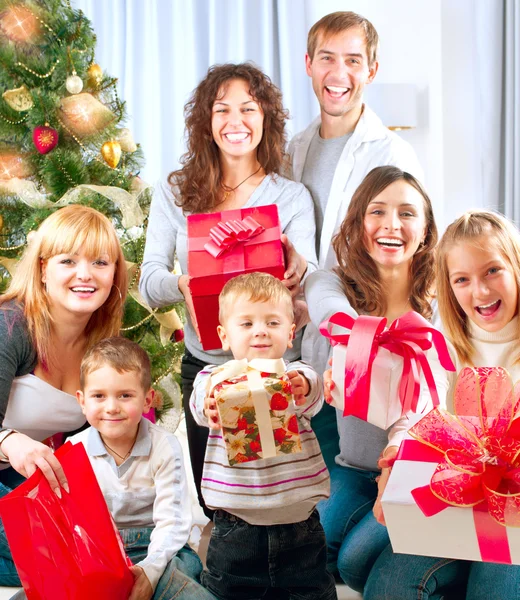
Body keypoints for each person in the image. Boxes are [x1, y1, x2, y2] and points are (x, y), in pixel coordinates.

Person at [139, 63, 318, 518]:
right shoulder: (176, 191)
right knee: (221, 505)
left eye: (247, 108)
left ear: (266, 119)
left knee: (281, 500)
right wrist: (186, 284)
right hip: (208, 373)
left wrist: (298, 269)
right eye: (222, 110)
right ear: (206, 121)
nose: (234, 121)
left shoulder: (290, 196)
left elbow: (310, 279)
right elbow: (148, 282)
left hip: (275, 368)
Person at [288, 11, 424, 470]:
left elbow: (408, 249)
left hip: (359, 351)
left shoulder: (392, 153)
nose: (338, 74)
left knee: (360, 479)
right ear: (308, 64)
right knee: (309, 502)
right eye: (327, 58)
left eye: (353, 60)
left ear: (371, 70)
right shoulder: (293, 148)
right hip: (299, 353)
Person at [364, 210, 520, 600]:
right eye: (462, 279)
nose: (480, 292)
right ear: (449, 288)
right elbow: (421, 411)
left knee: (491, 588)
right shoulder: (444, 343)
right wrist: (396, 456)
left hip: (513, 512)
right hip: (454, 492)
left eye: (493, 271)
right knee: (370, 574)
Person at [304, 166, 446, 593]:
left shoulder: (443, 301)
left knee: (353, 560)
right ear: (358, 224)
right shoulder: (333, 285)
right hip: (353, 469)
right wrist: (358, 348)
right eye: (377, 211)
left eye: (407, 213)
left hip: (416, 469)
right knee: (313, 548)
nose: (391, 225)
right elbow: (329, 313)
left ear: (424, 230)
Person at [0, 205, 127, 586]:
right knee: (57, 557)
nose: (85, 274)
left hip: (27, 485)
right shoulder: (11, 326)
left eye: (100, 262)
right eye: (68, 260)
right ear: (42, 269)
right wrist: (9, 442)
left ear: (114, 274)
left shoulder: (103, 346)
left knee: (117, 540)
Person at [190, 272, 337, 600]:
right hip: (236, 526)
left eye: (272, 322)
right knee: (228, 592)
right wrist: (211, 405)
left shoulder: (295, 375)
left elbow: (314, 396)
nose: (260, 330)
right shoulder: (213, 377)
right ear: (224, 336)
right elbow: (200, 403)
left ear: (290, 333)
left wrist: (303, 386)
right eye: (246, 324)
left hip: (300, 524)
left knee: (311, 590)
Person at [69, 337, 216, 600]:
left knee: (186, 587)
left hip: (160, 545)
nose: (112, 407)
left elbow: (172, 522)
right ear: (82, 401)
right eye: (98, 396)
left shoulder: (164, 446)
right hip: (101, 551)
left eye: (125, 395)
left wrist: (150, 571)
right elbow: (72, 522)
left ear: (148, 400)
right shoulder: (73, 450)